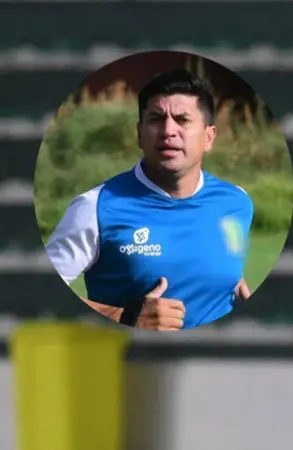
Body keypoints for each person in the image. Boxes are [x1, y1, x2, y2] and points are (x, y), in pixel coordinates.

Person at [45, 69, 253, 331]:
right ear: (139, 133)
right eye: (156, 119)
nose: (168, 130)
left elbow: (221, 270)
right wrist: (126, 316)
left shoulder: (237, 202)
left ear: (209, 137)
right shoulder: (95, 207)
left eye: (182, 119)